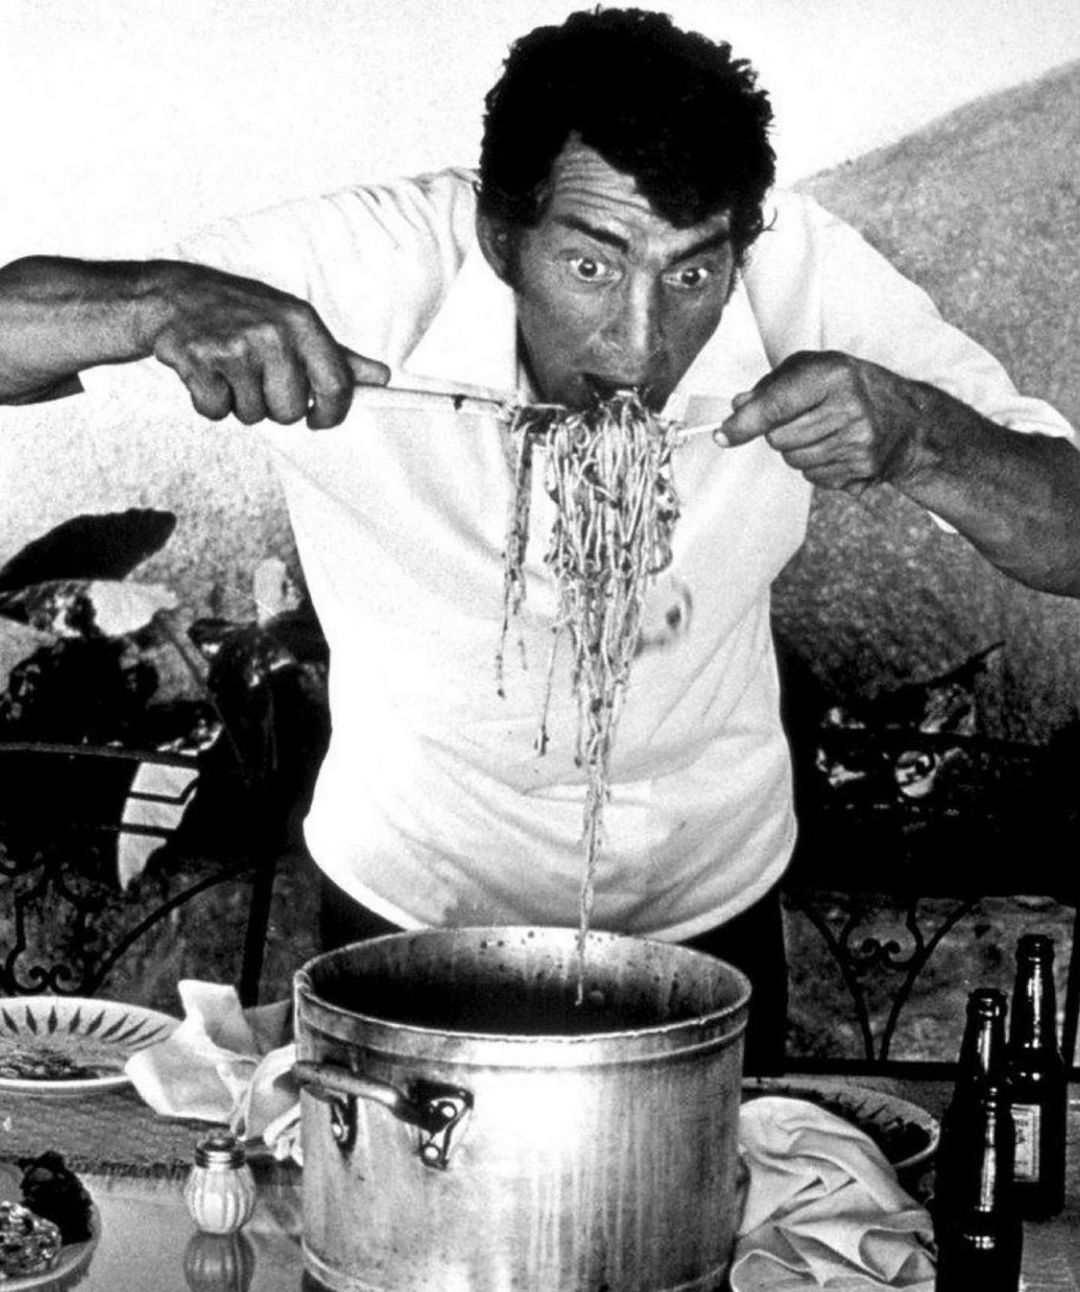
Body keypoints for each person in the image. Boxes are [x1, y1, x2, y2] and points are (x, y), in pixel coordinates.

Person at [2, 8, 1079, 1070]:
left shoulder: (798, 265)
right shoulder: (365, 263)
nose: (640, 347)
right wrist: (157, 303)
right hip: (411, 899)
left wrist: (922, 437)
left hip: (707, 901)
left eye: (692, 275)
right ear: (500, 236)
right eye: (592, 267)